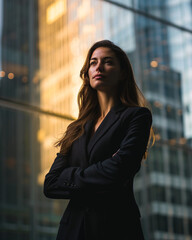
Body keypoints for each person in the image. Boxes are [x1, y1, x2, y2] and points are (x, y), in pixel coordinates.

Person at [44, 39, 155, 240]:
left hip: (116, 226)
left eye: (108, 62)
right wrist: (102, 171)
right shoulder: (75, 128)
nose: (99, 67)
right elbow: (51, 184)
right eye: (93, 62)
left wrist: (70, 175)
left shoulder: (137, 116)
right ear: (87, 72)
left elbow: (120, 169)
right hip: (74, 229)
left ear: (122, 73)